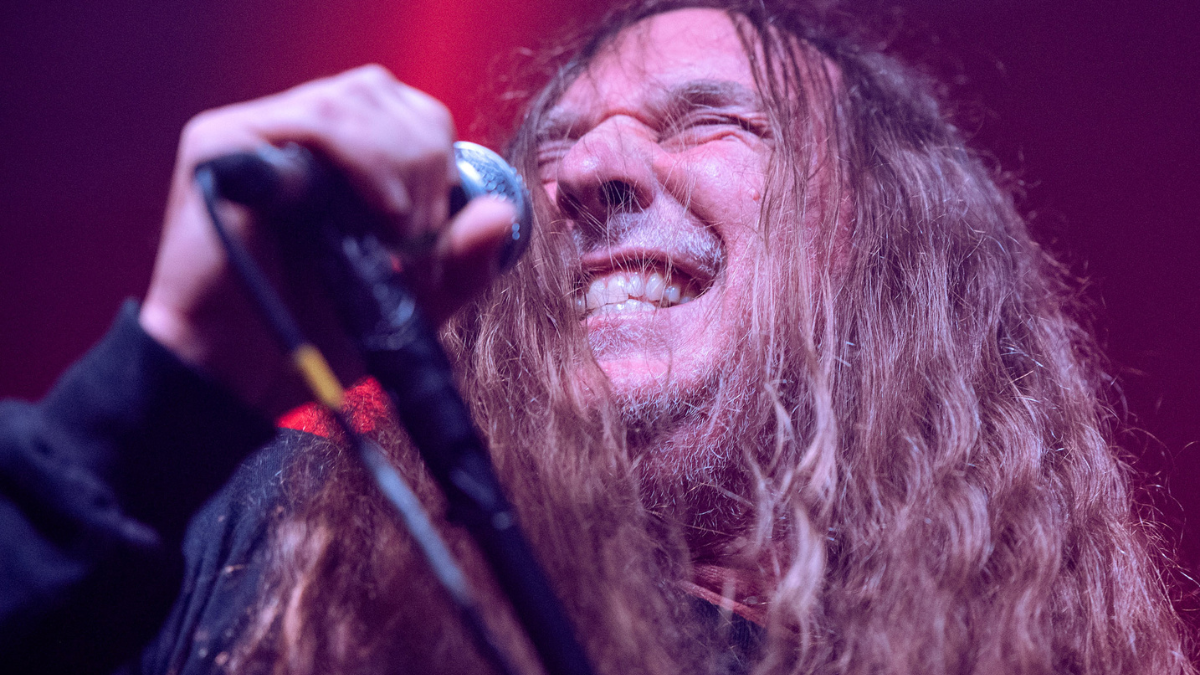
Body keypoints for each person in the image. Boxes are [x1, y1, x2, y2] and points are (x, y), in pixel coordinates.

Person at [2, 1, 1193, 674]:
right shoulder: (291, 542)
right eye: (558, 145)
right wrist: (164, 395)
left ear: (885, 251)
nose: (586, 172)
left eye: (711, 122)